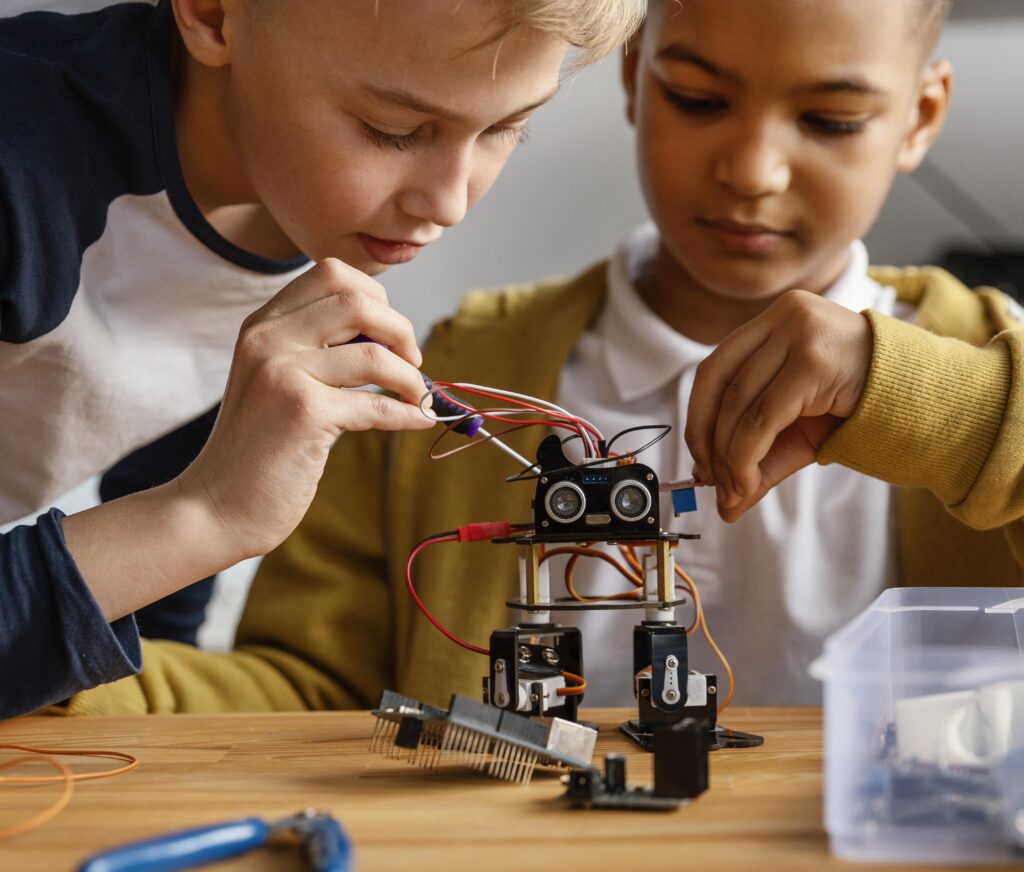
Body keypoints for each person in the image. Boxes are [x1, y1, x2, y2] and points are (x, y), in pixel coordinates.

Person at [44, 0, 1024, 718]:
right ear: (634, 75)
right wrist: (49, 664)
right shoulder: (445, 381)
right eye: (697, 98)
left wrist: (948, 407)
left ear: (920, 117)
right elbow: (309, 699)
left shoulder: (984, 368)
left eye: (830, 120)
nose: (751, 170)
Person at [0, 0, 644, 719]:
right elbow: (172, 530)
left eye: (505, 128)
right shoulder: (19, 165)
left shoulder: (298, 209)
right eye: (392, 129)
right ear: (212, 14)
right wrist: (204, 515)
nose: (449, 204)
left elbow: (152, 637)